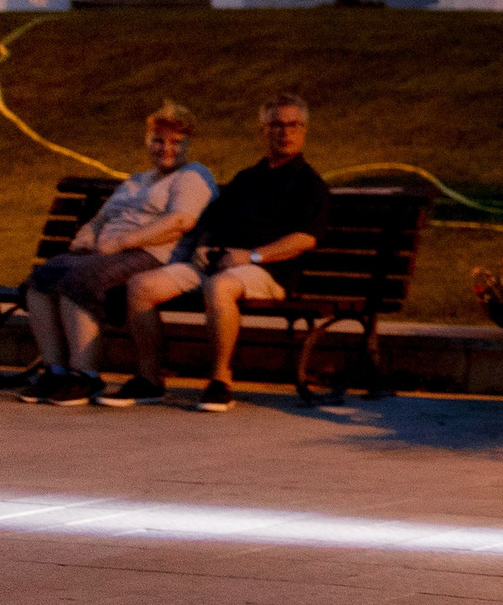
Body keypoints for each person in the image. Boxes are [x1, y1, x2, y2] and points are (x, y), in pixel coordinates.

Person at [122, 94, 331, 414]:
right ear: (263, 131)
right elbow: (212, 220)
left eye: (293, 125)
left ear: (304, 130)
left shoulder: (309, 184)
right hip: (216, 263)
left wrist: (251, 256)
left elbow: (304, 239)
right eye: (276, 124)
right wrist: (204, 246)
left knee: (219, 288)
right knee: (141, 287)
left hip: (268, 271)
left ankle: (220, 380)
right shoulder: (247, 179)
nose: (285, 132)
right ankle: (149, 379)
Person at [8, 103, 216, 407]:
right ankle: (54, 371)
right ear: (147, 140)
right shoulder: (135, 181)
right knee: (43, 277)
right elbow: (101, 218)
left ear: (188, 144)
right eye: (158, 140)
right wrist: (89, 234)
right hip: (104, 253)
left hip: (151, 255)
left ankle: (85, 376)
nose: (166, 148)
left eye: (176, 141)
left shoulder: (193, 176)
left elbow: (180, 222)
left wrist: (123, 242)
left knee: (78, 280)